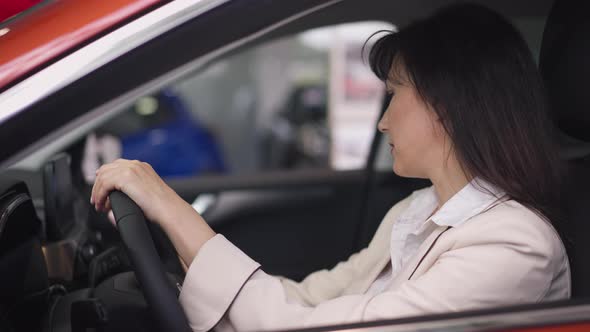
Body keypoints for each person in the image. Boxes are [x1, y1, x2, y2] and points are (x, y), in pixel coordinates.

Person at [90, 3, 570, 332]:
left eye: (394, 93)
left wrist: (170, 208)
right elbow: (308, 299)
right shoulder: (420, 209)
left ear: (445, 105)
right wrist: (184, 272)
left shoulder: (513, 244)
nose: (382, 121)